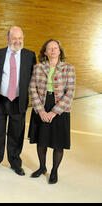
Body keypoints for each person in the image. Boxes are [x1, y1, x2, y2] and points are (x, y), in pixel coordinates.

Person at [0, 26, 36, 176]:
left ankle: (15, 161)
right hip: (0, 98)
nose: (17, 41)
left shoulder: (30, 55)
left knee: (16, 132)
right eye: (14, 38)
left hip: (19, 100)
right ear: (8, 39)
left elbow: (32, 76)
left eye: (20, 38)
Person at [28, 39, 75, 184]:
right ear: (45, 52)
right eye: (50, 48)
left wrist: (54, 112)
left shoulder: (68, 68)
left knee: (58, 143)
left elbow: (70, 92)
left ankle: (54, 171)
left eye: (55, 48)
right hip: (42, 105)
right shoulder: (38, 68)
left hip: (60, 108)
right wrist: (41, 111)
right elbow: (32, 89)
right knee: (41, 141)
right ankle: (42, 168)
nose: (53, 50)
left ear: (60, 51)